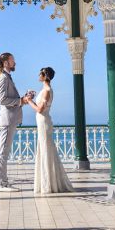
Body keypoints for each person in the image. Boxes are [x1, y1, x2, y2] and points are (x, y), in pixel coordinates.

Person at [27, 66, 74, 194]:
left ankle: (48, 184)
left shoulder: (47, 90)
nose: (38, 75)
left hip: (43, 121)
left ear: (45, 76)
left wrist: (29, 100)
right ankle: (47, 182)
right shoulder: (45, 90)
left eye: (40, 73)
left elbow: (39, 109)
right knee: (45, 150)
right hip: (42, 121)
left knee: (46, 151)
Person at [0, 52, 31, 192]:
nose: (15, 63)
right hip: (7, 120)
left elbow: (11, 99)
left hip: (11, 120)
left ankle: (3, 182)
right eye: (12, 61)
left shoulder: (7, 77)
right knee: (3, 152)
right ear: (5, 63)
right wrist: (20, 101)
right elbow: (2, 100)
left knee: (5, 151)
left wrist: (23, 100)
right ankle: (1, 184)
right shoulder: (2, 78)